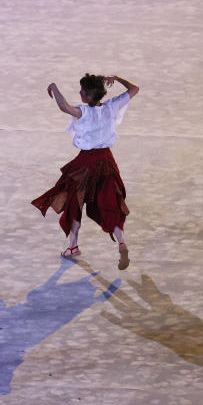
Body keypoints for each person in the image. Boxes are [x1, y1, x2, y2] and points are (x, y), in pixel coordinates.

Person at [33, 74, 139, 269]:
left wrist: (54, 87)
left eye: (82, 91)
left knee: (75, 201)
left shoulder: (82, 111)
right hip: (107, 161)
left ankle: (72, 246)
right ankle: (121, 242)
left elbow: (64, 106)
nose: (80, 92)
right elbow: (134, 89)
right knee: (110, 202)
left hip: (85, 163)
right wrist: (117, 78)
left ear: (89, 97)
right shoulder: (110, 106)